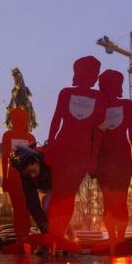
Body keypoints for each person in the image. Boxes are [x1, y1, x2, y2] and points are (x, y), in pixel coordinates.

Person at [43, 56, 107, 252]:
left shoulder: (99, 98)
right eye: (89, 72)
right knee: (59, 194)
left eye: (94, 73)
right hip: (63, 149)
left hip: (81, 154)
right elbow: (56, 121)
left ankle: (59, 234)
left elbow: (98, 131)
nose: (93, 77)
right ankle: (54, 235)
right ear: (78, 73)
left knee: (68, 195)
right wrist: (51, 146)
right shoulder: (66, 93)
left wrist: (93, 157)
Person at [94, 69, 132, 256]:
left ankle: (121, 237)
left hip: (121, 158)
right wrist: (93, 161)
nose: (101, 87)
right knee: (107, 199)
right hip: (103, 158)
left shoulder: (126, 105)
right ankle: (112, 237)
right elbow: (94, 134)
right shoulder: (98, 106)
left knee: (121, 199)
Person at [1, 107, 36, 253]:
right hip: (18, 178)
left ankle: (23, 238)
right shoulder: (14, 136)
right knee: (22, 209)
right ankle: (22, 239)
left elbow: (5, 158)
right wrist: (6, 178)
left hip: (23, 178)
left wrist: (5, 178)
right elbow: (4, 157)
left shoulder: (25, 137)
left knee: (22, 209)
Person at [8, 144, 51, 235]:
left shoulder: (50, 159)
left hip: (61, 183)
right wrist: (44, 227)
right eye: (28, 173)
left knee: (50, 206)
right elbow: (32, 203)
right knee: (47, 206)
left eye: (33, 171)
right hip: (48, 187)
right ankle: (55, 235)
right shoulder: (26, 177)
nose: (32, 176)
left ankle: (68, 236)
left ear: (36, 161)